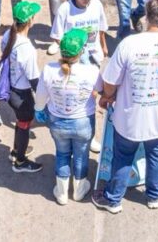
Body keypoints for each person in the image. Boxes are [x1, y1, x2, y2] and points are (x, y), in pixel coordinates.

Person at [92, 0, 158, 214]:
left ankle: (113, 199)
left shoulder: (129, 44)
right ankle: (154, 196)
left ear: (147, 17)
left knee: (122, 157)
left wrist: (107, 97)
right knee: (157, 154)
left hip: (129, 119)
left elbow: (110, 81)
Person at [37, 28, 102, 204]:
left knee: (62, 153)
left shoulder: (49, 69)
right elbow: (102, 90)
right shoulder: (91, 71)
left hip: (57, 122)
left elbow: (41, 96)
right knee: (81, 155)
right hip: (83, 123)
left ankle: (62, 192)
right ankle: (79, 190)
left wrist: (39, 109)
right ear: (81, 51)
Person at [0, 1, 44, 173]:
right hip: (22, 93)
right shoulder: (26, 48)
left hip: (10, 88)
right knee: (25, 123)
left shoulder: (7, 35)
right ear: (30, 20)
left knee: (20, 121)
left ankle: (16, 150)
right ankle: (20, 161)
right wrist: (43, 100)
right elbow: (34, 79)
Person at [52, 0, 109, 73]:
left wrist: (104, 46)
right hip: (74, 60)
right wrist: (71, 54)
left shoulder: (97, 4)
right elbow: (57, 36)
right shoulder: (64, 9)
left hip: (95, 54)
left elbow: (101, 28)